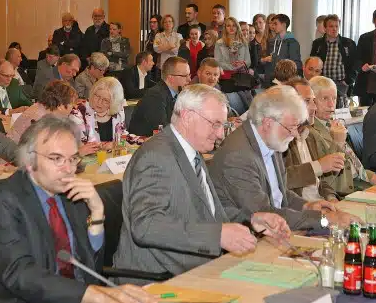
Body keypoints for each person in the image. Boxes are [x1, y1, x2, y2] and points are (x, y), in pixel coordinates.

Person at [113, 84, 291, 285]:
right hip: (159, 278)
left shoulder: (192, 152)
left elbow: (207, 213)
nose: (221, 135)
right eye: (215, 124)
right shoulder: (156, 157)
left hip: (194, 269)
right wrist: (218, 235)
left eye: (222, 126)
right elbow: (145, 225)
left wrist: (252, 220)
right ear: (188, 117)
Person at [0, 114, 157, 303]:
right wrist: (91, 294)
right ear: (29, 161)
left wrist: (97, 214)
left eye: (73, 158)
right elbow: (20, 274)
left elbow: (89, 269)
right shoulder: (0, 199)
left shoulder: (70, 195)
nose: (68, 169)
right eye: (56, 158)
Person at [209, 85, 358, 230]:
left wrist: (307, 205)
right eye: (291, 127)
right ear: (268, 123)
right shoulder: (237, 156)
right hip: (250, 239)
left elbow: (280, 194)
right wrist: (324, 220)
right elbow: (265, 214)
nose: (294, 134)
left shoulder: (272, 139)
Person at [309, 76, 376, 196]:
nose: (331, 104)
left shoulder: (332, 123)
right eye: (325, 98)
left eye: (334, 98)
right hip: (342, 193)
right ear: (312, 101)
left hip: (361, 182)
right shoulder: (310, 132)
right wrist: (337, 143)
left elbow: (350, 161)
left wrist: (368, 175)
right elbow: (326, 179)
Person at [283, 78, 341, 202]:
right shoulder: (281, 139)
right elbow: (281, 179)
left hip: (322, 204)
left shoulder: (309, 135)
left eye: (314, 101)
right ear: (289, 105)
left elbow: (320, 183)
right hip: (301, 211)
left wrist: (331, 198)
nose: (314, 107)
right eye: (307, 101)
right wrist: (319, 165)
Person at [128, 56, 191, 136]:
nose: (189, 79)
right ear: (171, 78)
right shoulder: (155, 96)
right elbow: (163, 129)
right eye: (185, 76)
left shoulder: (177, 94)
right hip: (144, 144)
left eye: (189, 75)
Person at [310, 14, 357, 107]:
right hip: (323, 83)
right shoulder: (317, 43)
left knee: (341, 111)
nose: (334, 29)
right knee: (323, 108)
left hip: (342, 84)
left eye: (336, 26)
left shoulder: (348, 43)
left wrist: (349, 80)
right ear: (325, 28)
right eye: (331, 26)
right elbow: (313, 61)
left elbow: (356, 63)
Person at [8, 80, 78, 143]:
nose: (74, 106)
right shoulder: (39, 120)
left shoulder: (42, 108)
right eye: (71, 103)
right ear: (61, 106)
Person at [70, 77, 126, 150]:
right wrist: (106, 145)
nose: (99, 102)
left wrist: (118, 144)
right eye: (97, 96)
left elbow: (122, 137)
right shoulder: (78, 112)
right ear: (92, 93)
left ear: (114, 102)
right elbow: (79, 145)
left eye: (105, 100)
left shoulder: (118, 112)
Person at [262, 14, 302, 83]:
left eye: (275, 24)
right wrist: (263, 60)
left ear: (283, 25)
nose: (273, 26)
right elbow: (268, 60)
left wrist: (274, 58)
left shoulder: (292, 42)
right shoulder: (271, 41)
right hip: (270, 80)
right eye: (272, 24)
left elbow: (295, 64)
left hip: (285, 81)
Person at [214, 17, 251, 85]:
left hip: (241, 75)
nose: (231, 28)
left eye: (234, 25)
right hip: (226, 75)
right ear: (225, 28)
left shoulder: (243, 42)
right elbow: (217, 62)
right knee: (235, 94)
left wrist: (242, 64)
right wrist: (232, 67)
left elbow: (248, 61)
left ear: (237, 27)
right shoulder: (219, 43)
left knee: (245, 94)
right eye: (228, 25)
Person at [250, 14, 267, 79]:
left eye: (260, 22)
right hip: (255, 71)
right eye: (256, 23)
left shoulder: (271, 38)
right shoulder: (252, 38)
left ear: (265, 23)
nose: (258, 25)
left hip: (268, 70)